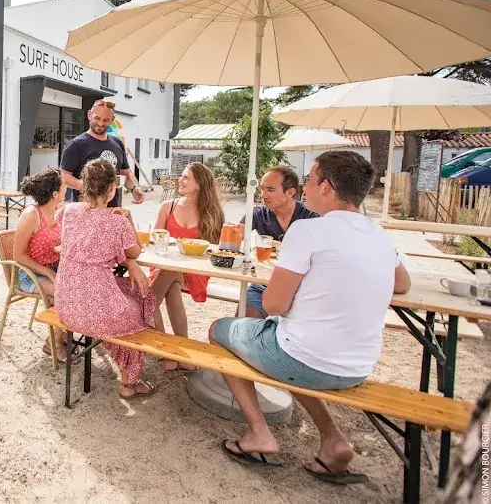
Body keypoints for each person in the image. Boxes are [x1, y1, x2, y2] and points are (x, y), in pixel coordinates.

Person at [208, 151, 411, 483]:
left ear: (327, 187)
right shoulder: (377, 233)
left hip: (303, 358)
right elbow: (402, 283)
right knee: (297, 347)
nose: (305, 188)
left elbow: (273, 305)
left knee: (219, 331)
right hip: (357, 367)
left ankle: (258, 431)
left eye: (309, 181)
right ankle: (333, 440)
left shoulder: (308, 231)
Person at [54, 158, 157, 399]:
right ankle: (128, 383)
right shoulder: (117, 222)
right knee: (141, 301)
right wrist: (127, 219)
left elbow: (76, 233)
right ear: (112, 188)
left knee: (126, 293)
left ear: (84, 185)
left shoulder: (67, 212)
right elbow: (135, 251)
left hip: (67, 304)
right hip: (96, 311)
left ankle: (128, 376)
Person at [148, 162, 225, 370]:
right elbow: (155, 239)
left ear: (199, 185)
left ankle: (164, 349)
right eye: (181, 177)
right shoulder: (168, 206)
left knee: (150, 297)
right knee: (171, 284)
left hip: (194, 270)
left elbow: (216, 249)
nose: (180, 181)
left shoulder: (211, 213)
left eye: (185, 178)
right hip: (166, 266)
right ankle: (179, 352)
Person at [241, 166, 318, 318]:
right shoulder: (258, 213)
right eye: (261, 189)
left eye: (270, 190)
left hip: (301, 288)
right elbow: (233, 239)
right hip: (264, 284)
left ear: (290, 192)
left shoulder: (310, 217)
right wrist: (232, 231)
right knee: (244, 318)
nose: (263, 195)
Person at [14, 167, 67, 361]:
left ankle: (66, 332)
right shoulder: (31, 215)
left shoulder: (59, 212)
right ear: (54, 194)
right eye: (63, 187)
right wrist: (49, 272)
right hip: (30, 273)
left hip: (54, 268)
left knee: (81, 285)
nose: (66, 190)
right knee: (65, 293)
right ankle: (54, 344)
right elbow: (18, 255)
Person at [60, 99, 144, 208]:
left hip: (114, 211)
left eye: (105, 120)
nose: (100, 123)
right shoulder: (76, 145)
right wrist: (88, 187)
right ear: (89, 115)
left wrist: (134, 188)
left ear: (112, 120)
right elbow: (64, 176)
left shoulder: (117, 143)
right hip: (85, 212)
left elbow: (126, 173)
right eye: (97, 118)